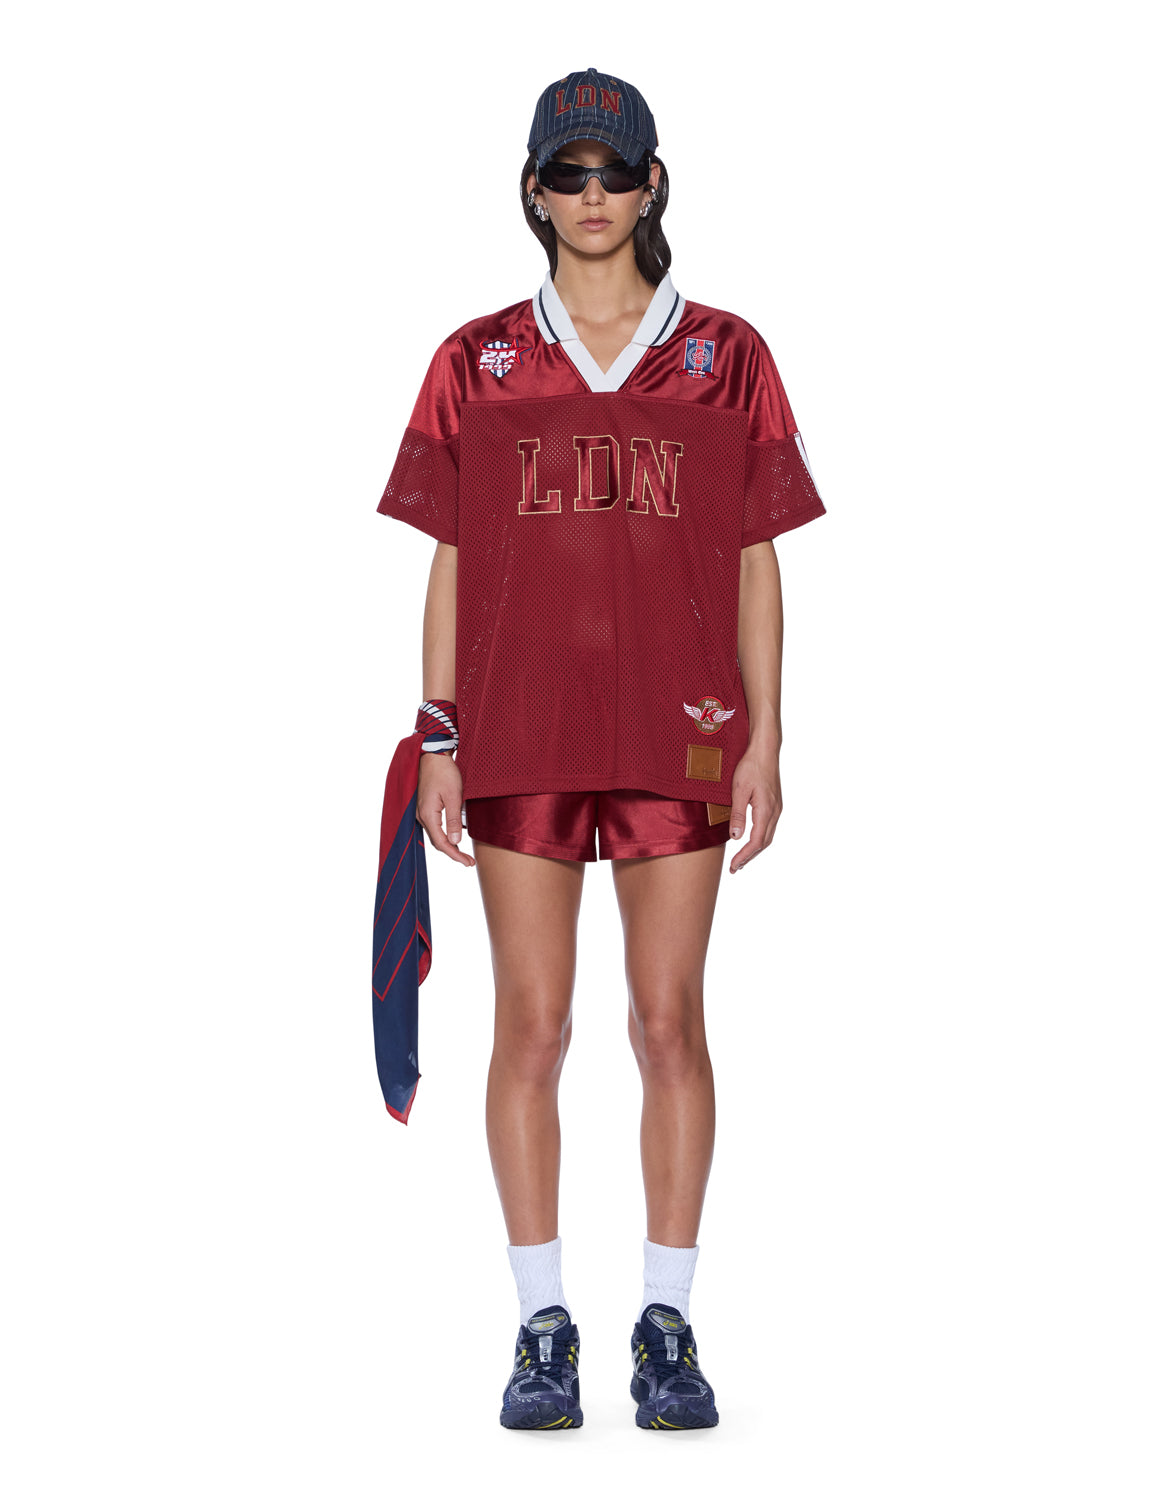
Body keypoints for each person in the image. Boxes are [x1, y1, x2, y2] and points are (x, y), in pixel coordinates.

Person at [375, 66, 827, 1431]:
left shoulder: (728, 355)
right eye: (567, 173)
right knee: (534, 1023)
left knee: (668, 1019)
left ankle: (668, 1323)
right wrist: (439, 735)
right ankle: (542, 1329)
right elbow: (453, 558)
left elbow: (755, 557)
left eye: (613, 172)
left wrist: (767, 735)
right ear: (532, 190)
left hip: (682, 731)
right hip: (517, 730)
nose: (591, 195)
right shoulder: (475, 360)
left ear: (651, 186)